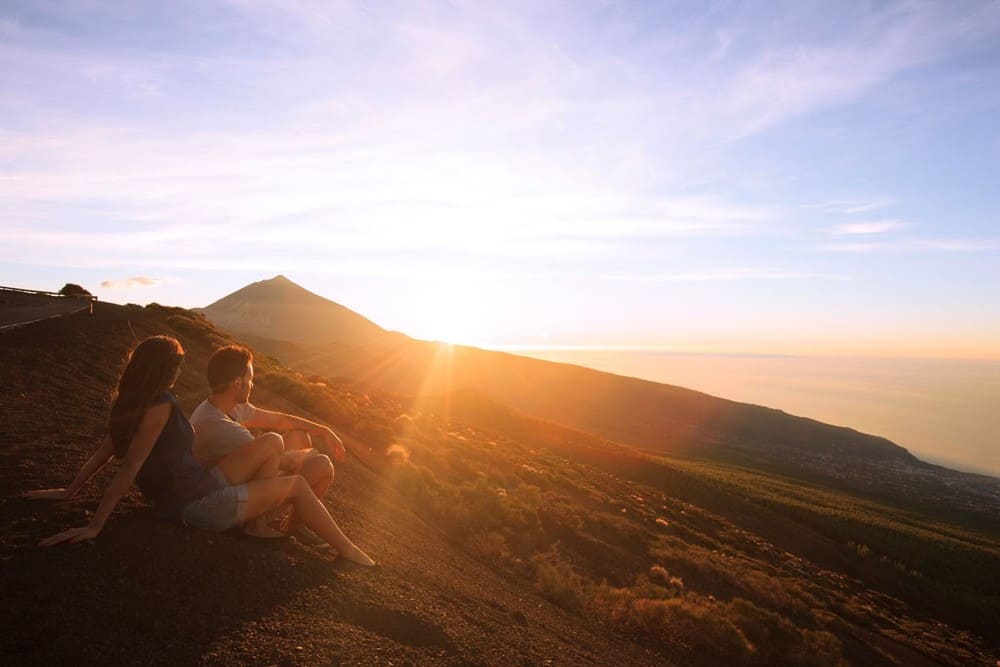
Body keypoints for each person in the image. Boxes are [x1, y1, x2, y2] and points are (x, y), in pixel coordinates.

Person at [24, 335, 375, 566]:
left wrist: (70, 490)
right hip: (195, 504)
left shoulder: (133, 403)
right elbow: (130, 465)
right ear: (167, 370)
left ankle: (264, 525)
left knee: (272, 441)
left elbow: (106, 450)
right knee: (296, 484)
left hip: (196, 484)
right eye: (178, 366)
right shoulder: (161, 404)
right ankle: (347, 550)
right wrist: (95, 525)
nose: (179, 372)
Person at [190, 345, 342, 541]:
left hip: (241, 479)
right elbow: (282, 460)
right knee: (320, 464)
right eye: (250, 379)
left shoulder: (230, 407)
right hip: (231, 498)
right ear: (237, 383)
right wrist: (309, 453)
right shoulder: (219, 425)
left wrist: (324, 431)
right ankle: (260, 523)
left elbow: (280, 420)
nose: (252, 384)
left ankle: (291, 524)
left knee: (299, 436)